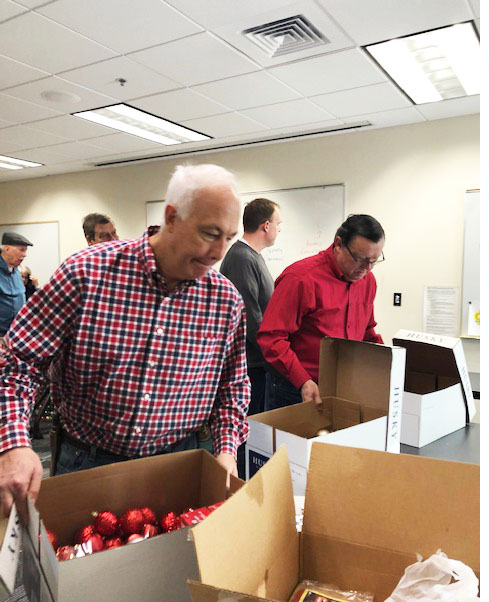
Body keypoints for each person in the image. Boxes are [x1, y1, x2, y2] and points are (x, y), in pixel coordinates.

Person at [0, 164, 249, 517]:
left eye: (229, 237)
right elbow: (18, 362)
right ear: (172, 217)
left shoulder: (224, 301)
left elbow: (233, 389)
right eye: (210, 234)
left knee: (176, 570)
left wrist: (226, 452)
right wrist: (13, 444)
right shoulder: (86, 274)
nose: (218, 251)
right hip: (89, 464)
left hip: (180, 467)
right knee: (82, 567)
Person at [258, 214, 384, 410]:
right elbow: (271, 338)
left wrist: (389, 363)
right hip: (293, 388)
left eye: (374, 261)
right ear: (338, 244)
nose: (366, 269)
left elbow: (367, 333)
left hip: (340, 387)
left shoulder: (368, 282)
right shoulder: (301, 278)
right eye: (360, 259)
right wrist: (302, 380)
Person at [219, 198, 281, 416]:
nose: (279, 230)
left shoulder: (252, 257)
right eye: (278, 224)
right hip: (249, 365)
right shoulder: (241, 258)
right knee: (248, 430)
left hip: (257, 362)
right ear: (266, 226)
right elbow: (249, 316)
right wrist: (273, 351)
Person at [0, 232, 32, 337]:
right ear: (7, 249)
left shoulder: (17, 271)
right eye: (21, 250)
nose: (25, 255)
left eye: (26, 250)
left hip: (17, 334)